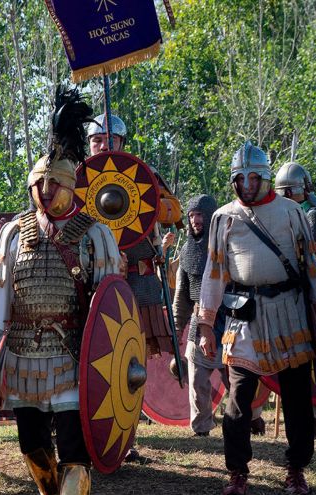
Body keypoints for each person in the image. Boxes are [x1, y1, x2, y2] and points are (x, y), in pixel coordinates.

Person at [0, 88, 122, 495]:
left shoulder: (95, 235)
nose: (46, 191)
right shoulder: (13, 232)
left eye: (54, 183)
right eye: (39, 183)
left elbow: (112, 307)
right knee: (32, 446)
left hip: (74, 354)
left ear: (71, 185)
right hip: (21, 355)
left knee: (74, 450)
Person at [198, 142, 316, 495]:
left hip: (290, 311)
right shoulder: (223, 217)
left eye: (253, 176)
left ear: (266, 177)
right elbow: (214, 272)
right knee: (238, 398)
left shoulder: (290, 213)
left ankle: (296, 469)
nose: (246, 184)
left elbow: (311, 269)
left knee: (297, 397)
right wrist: (206, 324)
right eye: (239, 178)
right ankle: (237, 473)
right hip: (245, 317)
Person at [86, 113, 181, 462]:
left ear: (122, 144)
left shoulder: (144, 174)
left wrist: (144, 198)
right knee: (89, 360)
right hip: (92, 280)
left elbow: (174, 211)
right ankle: (86, 431)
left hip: (136, 281)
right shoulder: (79, 179)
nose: (104, 145)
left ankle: (126, 435)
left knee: (130, 363)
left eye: (111, 140)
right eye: (98, 140)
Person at [274, 161, 316, 438]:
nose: (288, 197)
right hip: (287, 294)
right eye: (284, 193)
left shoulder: (315, 215)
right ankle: (305, 417)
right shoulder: (278, 216)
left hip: (312, 295)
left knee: (313, 353)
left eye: (290, 192)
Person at [171, 194, 221, 437]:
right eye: (191, 216)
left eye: (200, 215)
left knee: (235, 381)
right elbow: (181, 295)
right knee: (197, 382)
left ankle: (240, 421)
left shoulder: (224, 245)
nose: (195, 220)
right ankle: (202, 427)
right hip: (197, 324)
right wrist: (177, 327)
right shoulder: (187, 251)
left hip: (226, 321)